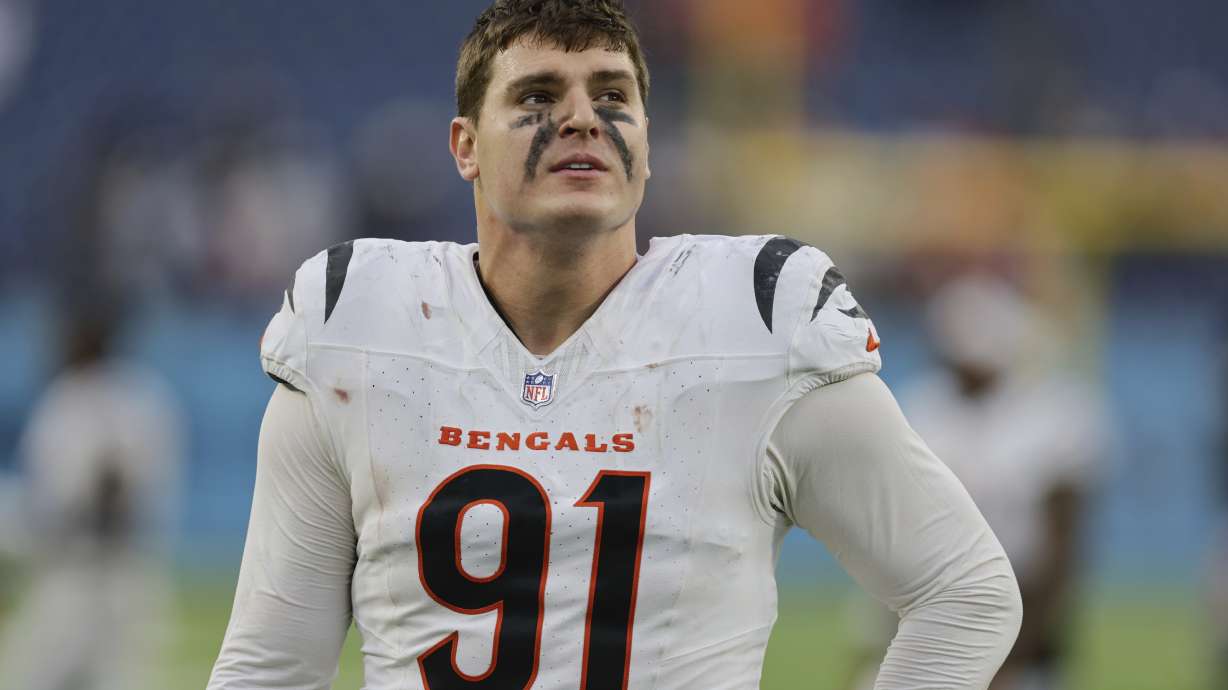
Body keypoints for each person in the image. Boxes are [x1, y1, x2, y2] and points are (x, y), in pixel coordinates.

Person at [208, 2, 1021, 688]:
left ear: (647, 144)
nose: (579, 118)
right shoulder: (360, 325)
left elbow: (966, 593)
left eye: (612, 95)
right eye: (535, 96)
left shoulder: (757, 323)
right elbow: (272, 666)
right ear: (464, 147)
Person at [843, 274, 1108, 690]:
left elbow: (1062, 550)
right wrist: (881, 637)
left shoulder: (1054, 415)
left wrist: (1017, 649)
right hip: (930, 601)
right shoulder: (921, 408)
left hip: (1024, 605)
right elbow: (891, 544)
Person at [0, 306, 183, 690]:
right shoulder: (138, 395)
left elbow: (113, 492)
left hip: (92, 569)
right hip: (101, 569)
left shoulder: (91, 399)